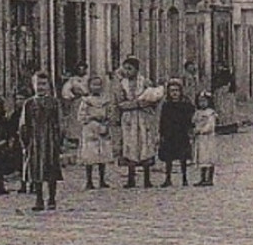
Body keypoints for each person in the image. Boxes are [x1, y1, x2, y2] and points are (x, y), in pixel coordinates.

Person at [20, 73, 64, 212]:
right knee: (35, 170)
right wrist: (25, 142)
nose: (41, 87)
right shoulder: (29, 103)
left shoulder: (54, 102)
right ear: (33, 86)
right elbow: (23, 124)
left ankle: (51, 198)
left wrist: (59, 140)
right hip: (35, 141)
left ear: (49, 86)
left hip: (50, 140)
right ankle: (38, 198)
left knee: (51, 168)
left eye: (44, 84)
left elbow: (60, 122)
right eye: (38, 84)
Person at [115, 57, 160, 188]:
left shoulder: (145, 82)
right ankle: (131, 177)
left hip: (144, 118)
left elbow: (153, 99)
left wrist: (147, 104)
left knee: (145, 144)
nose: (127, 71)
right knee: (130, 145)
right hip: (129, 118)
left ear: (137, 69)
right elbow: (120, 103)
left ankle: (147, 178)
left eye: (130, 68)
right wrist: (136, 104)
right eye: (125, 68)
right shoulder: (121, 84)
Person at [76, 75, 115, 190]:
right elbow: (81, 116)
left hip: (102, 128)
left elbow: (110, 113)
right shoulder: (86, 101)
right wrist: (91, 118)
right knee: (90, 155)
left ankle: (102, 180)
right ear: (89, 86)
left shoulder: (105, 100)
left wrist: (107, 122)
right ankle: (89, 180)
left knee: (102, 154)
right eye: (94, 85)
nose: (96, 87)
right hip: (90, 128)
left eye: (99, 85)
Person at [157, 78, 196, 188]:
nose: (174, 93)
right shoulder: (166, 105)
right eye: (172, 91)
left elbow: (191, 116)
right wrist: (161, 133)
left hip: (181, 134)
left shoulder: (185, 104)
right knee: (168, 158)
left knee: (182, 157)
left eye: (177, 90)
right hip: (169, 134)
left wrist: (190, 129)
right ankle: (168, 178)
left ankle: (184, 178)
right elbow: (162, 120)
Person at [59, 64, 89, 151]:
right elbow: (66, 90)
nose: (81, 71)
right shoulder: (73, 80)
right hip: (77, 101)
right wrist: (72, 96)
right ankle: (75, 138)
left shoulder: (88, 78)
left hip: (88, 101)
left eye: (83, 69)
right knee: (76, 119)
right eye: (80, 69)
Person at [191, 91, 218, 187]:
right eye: (200, 101)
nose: (202, 103)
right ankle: (202, 178)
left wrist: (201, 130)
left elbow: (211, 126)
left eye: (204, 101)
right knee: (201, 158)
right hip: (200, 140)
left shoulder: (211, 113)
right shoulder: (197, 113)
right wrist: (194, 129)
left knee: (209, 157)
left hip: (208, 139)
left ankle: (210, 178)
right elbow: (193, 121)